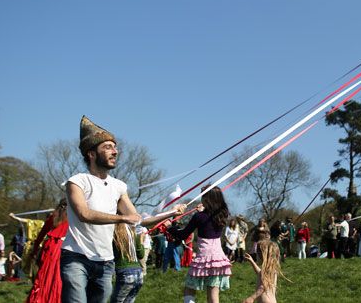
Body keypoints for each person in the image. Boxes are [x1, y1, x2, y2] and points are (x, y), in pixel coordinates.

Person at [61, 116, 184, 303]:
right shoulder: (77, 182)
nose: (115, 151)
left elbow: (137, 219)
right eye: (107, 147)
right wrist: (121, 219)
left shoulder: (118, 186)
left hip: (105, 262)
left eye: (115, 147)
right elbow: (83, 214)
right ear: (91, 154)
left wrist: (172, 212)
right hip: (76, 257)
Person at [165, 186, 232, 303]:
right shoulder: (223, 215)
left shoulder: (198, 217)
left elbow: (183, 235)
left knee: (189, 289)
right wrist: (203, 211)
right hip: (218, 260)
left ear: (207, 199)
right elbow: (208, 218)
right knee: (213, 295)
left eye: (203, 196)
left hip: (203, 258)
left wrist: (170, 227)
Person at [26, 199, 69, 303]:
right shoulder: (71, 218)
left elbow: (40, 235)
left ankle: (41, 298)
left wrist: (34, 251)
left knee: (44, 276)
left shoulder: (53, 217)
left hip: (49, 247)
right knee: (56, 277)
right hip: (60, 248)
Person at [110, 223, 144, 303]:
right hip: (139, 274)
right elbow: (141, 255)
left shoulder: (113, 236)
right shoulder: (133, 235)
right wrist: (141, 241)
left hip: (125, 272)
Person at [9, 212, 45, 277]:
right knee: (31, 260)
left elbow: (20, 219)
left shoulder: (36, 222)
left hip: (37, 245)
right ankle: (32, 275)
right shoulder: (39, 222)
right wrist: (14, 217)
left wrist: (13, 217)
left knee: (34, 260)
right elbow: (21, 219)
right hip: (35, 245)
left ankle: (35, 274)